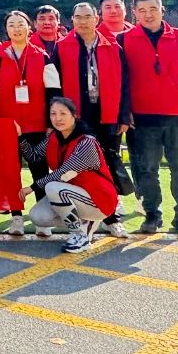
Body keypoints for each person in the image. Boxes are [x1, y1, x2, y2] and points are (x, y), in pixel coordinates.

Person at [120, 0, 178, 238]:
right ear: (134, 13)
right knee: (147, 170)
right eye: (142, 10)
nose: (148, 14)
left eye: (153, 9)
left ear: (162, 9)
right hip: (142, 116)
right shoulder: (124, 39)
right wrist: (125, 112)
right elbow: (121, 81)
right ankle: (152, 215)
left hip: (176, 114)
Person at [53, 3, 133, 238]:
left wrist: (123, 115)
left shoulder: (112, 46)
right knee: (76, 166)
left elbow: (125, 84)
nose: (83, 21)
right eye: (78, 17)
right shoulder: (62, 46)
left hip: (107, 114)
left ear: (96, 18)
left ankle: (111, 217)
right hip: (77, 117)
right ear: (72, 19)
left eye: (87, 16)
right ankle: (79, 217)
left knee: (107, 165)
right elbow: (53, 85)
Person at [0, 10, 55, 238]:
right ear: (6, 29)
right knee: (11, 172)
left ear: (29, 28)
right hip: (7, 125)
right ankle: (16, 216)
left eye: (20, 24)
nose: (16, 29)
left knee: (40, 172)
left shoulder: (42, 56)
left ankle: (43, 219)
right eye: (11, 25)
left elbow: (53, 91)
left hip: (37, 125)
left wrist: (50, 122)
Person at [20, 98, 119, 253]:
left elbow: (63, 173)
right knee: (38, 216)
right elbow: (33, 156)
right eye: (53, 114)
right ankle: (85, 223)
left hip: (99, 198)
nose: (57, 118)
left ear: (74, 116)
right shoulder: (54, 137)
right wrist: (20, 137)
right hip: (71, 194)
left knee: (53, 187)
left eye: (63, 113)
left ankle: (79, 235)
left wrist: (31, 188)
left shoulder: (86, 142)